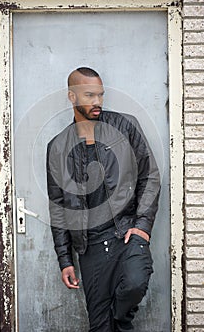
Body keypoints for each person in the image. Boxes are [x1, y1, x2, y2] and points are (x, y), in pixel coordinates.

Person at [46, 67, 160, 331]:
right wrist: (65, 260)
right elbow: (58, 207)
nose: (97, 102)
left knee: (133, 285)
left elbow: (149, 177)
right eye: (89, 95)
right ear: (72, 97)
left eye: (100, 95)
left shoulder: (125, 126)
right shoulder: (57, 146)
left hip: (127, 233)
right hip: (90, 245)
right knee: (99, 327)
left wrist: (142, 226)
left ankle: (119, 318)